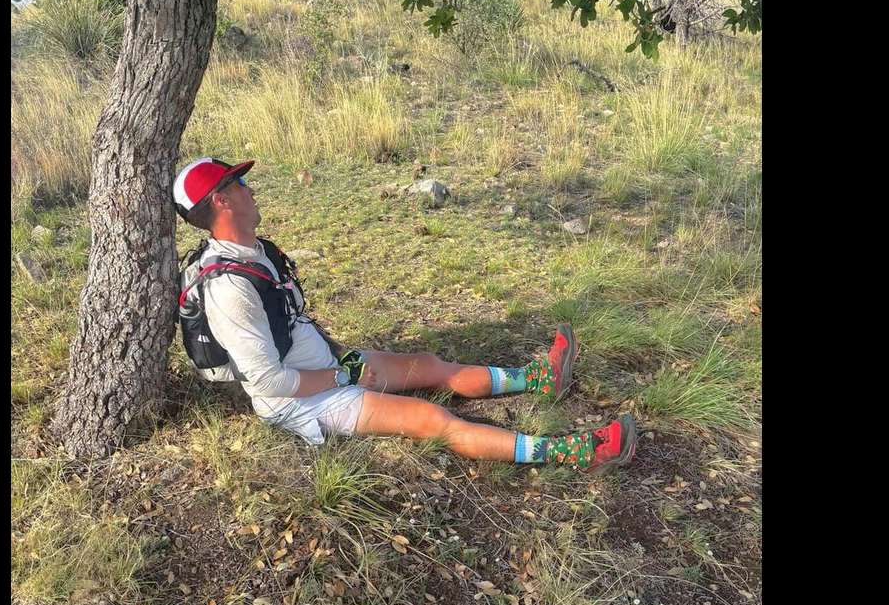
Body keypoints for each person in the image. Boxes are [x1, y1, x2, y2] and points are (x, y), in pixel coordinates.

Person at [172, 157, 638, 473]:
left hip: (324, 365)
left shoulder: (253, 252)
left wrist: (343, 361)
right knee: (431, 419)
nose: (252, 190)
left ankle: (538, 380)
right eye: (241, 183)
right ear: (222, 200)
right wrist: (341, 379)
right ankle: (574, 452)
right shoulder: (229, 288)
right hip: (304, 398)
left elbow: (292, 321)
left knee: (428, 365)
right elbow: (268, 382)